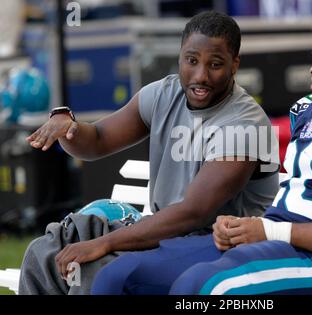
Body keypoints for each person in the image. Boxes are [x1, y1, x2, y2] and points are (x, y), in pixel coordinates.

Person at [90, 13, 312, 295]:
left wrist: (271, 232)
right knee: (119, 275)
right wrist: (246, 227)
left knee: (202, 289)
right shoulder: (309, 109)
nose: (311, 69)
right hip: (273, 242)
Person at [19, 11, 279, 295]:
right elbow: (96, 141)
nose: (201, 75)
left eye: (215, 64)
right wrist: (68, 127)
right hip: (165, 234)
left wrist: (104, 242)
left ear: (234, 65)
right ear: (180, 57)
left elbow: (193, 213)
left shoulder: (244, 123)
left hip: (219, 244)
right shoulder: (164, 94)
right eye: (191, 61)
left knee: (96, 268)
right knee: (45, 250)